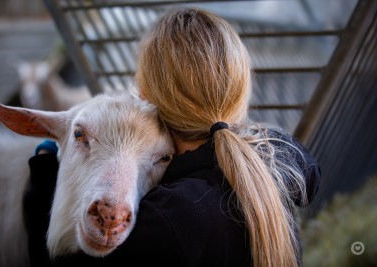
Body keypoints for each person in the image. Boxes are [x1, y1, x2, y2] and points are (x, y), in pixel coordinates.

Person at [23, 7, 321, 267]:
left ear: (144, 97)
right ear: (238, 94)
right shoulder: (277, 163)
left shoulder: (172, 219)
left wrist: (44, 174)